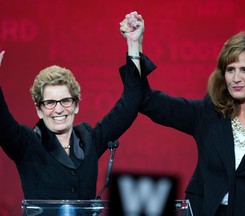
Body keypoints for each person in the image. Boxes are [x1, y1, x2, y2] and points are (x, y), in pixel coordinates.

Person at [120, 12, 245, 216]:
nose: (236, 78)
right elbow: (147, 100)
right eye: (230, 69)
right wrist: (134, 45)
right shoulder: (208, 114)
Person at [0, 12, 147, 201]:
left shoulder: (89, 140)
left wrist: (134, 44)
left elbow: (130, 104)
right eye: (50, 103)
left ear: (76, 105)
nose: (59, 109)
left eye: (65, 101)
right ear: (39, 109)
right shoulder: (27, 144)